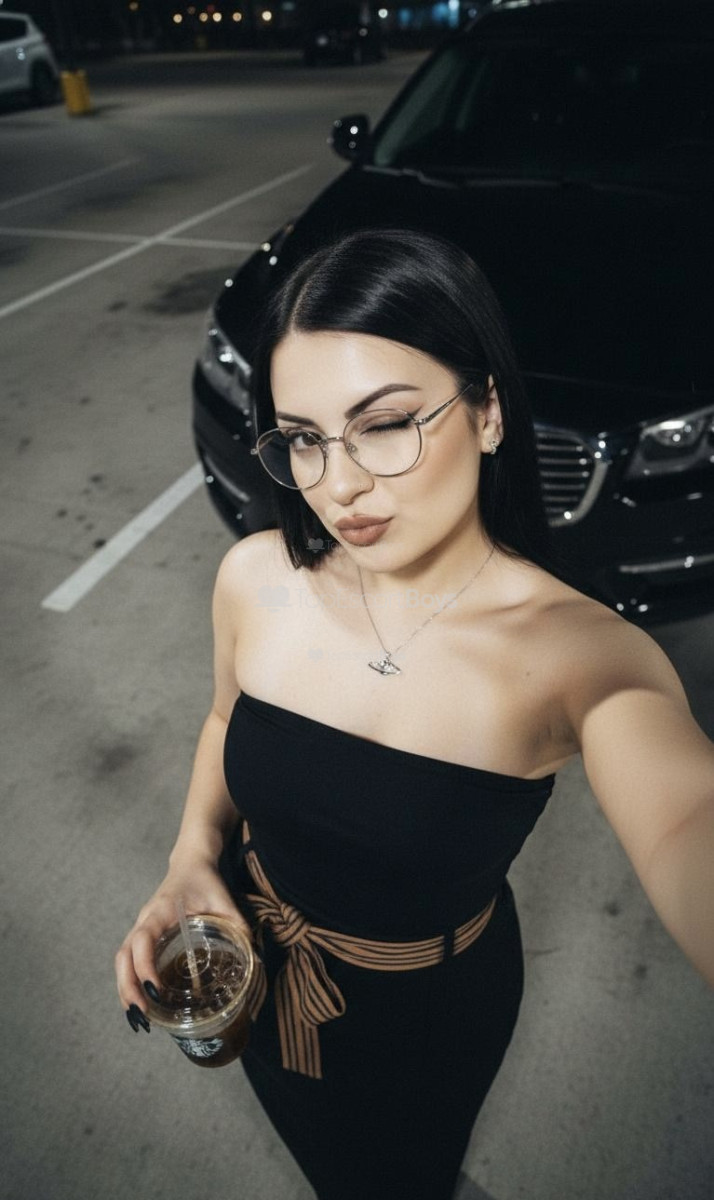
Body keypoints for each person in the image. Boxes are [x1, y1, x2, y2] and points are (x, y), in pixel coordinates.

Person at [115, 228, 714, 1200]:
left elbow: (688, 815)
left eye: (385, 423)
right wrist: (191, 859)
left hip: (425, 1023)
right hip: (253, 962)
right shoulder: (256, 578)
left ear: (488, 410)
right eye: (303, 438)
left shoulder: (582, 657)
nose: (339, 483)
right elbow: (226, 724)